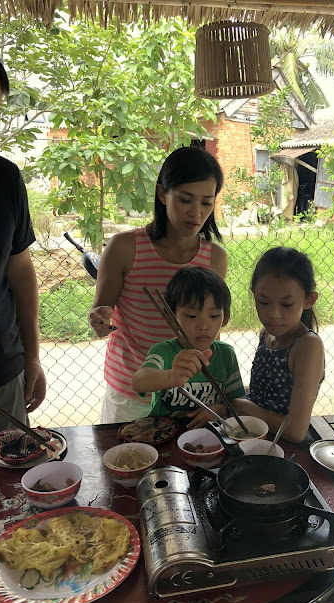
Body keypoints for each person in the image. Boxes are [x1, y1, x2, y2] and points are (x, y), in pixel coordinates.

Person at [88, 146, 227, 424]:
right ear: (163, 193)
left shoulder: (214, 257)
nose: (196, 213)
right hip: (130, 392)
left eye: (206, 202)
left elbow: (211, 329)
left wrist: (214, 391)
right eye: (185, 200)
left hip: (186, 392)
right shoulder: (125, 248)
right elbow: (101, 312)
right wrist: (99, 319)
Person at [0, 53, 46, 430]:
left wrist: (32, 356)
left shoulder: (5, 178)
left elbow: (21, 271)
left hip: (2, 372)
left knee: (12, 462)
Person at [232, 247, 325, 444]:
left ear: (309, 300)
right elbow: (261, 394)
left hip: (284, 448)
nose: (274, 314)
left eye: (286, 304)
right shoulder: (267, 335)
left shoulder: (307, 346)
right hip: (253, 436)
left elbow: (295, 430)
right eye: (264, 302)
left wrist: (238, 406)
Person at [131, 267, 245, 427]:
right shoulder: (163, 352)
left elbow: (237, 402)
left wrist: (220, 409)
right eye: (191, 316)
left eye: (213, 316)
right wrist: (172, 376)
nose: (203, 325)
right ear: (170, 317)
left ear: (225, 318)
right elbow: (138, 381)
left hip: (212, 434)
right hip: (165, 433)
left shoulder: (226, 354)